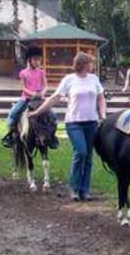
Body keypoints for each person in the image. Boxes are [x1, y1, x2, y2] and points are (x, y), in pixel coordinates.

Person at [30, 52, 106, 201]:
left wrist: (102, 114)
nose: (93, 65)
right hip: (74, 122)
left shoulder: (94, 79)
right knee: (81, 152)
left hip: (91, 122)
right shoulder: (69, 80)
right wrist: (38, 111)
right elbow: (55, 98)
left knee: (89, 157)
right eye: (91, 63)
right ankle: (74, 188)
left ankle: (85, 190)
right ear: (83, 64)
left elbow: (101, 98)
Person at [2, 48, 51, 148]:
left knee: (52, 115)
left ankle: (52, 137)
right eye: (35, 60)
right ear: (29, 60)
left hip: (39, 99)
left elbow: (45, 85)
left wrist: (42, 92)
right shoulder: (23, 73)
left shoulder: (42, 72)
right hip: (27, 98)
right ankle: (11, 135)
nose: (38, 62)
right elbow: (23, 87)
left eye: (39, 60)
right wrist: (32, 93)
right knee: (14, 113)